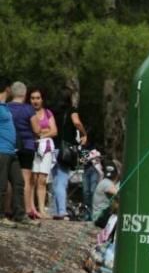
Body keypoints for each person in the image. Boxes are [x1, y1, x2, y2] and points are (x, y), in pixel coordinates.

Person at [52, 86, 88, 220]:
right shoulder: (71, 110)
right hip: (65, 149)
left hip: (52, 148)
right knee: (62, 180)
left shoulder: (52, 111)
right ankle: (62, 211)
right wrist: (84, 133)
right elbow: (77, 122)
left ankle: (54, 209)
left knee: (55, 181)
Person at [0, 78, 29, 228]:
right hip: (2, 151)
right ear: (7, 89)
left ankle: (20, 214)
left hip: (11, 152)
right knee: (1, 184)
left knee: (18, 182)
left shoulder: (5, 107)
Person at [7, 82, 37, 219]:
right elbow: (37, 129)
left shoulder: (6, 108)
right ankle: (23, 210)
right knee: (25, 178)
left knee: (9, 179)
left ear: (11, 93)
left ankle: (7, 209)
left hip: (10, 145)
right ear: (25, 94)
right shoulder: (28, 109)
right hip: (27, 146)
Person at [29, 88, 57, 218]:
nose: (35, 101)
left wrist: (41, 132)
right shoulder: (28, 112)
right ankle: (32, 208)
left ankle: (42, 209)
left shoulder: (47, 112)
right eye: (33, 98)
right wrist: (45, 130)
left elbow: (54, 131)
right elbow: (32, 131)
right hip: (33, 148)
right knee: (32, 179)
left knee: (42, 179)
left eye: (38, 98)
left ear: (42, 99)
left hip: (46, 148)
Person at [92, 162, 119, 228]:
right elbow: (122, 195)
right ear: (117, 173)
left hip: (101, 217)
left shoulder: (105, 181)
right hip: (100, 218)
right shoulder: (106, 183)